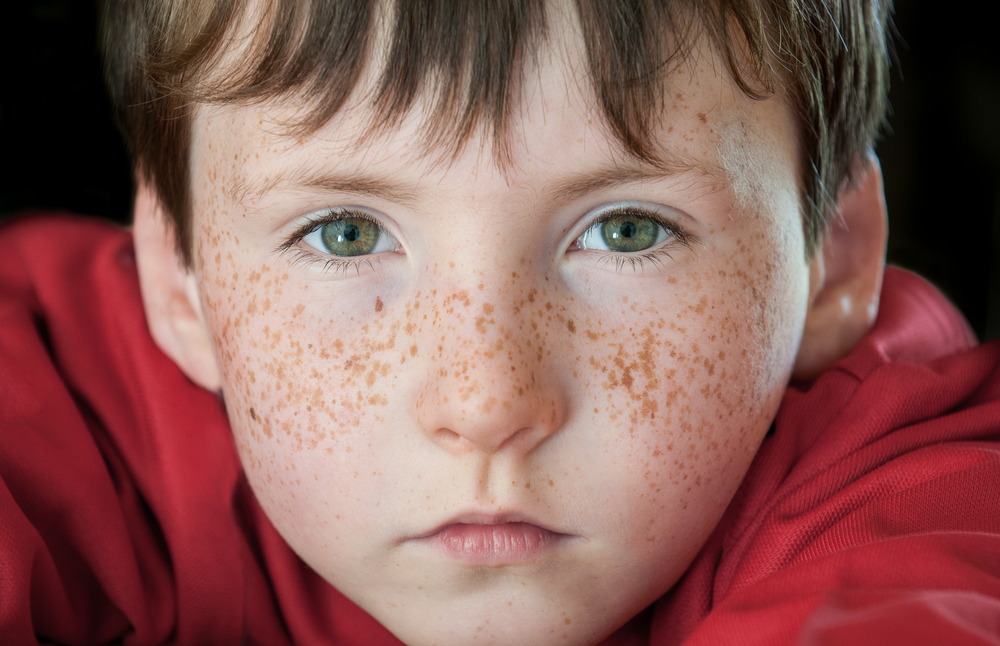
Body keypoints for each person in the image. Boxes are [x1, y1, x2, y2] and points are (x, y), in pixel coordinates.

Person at [1, 0, 998, 644]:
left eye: (625, 227)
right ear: (179, 272)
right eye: (345, 233)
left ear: (832, 258)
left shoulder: (929, 491)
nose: (484, 403)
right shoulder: (58, 388)